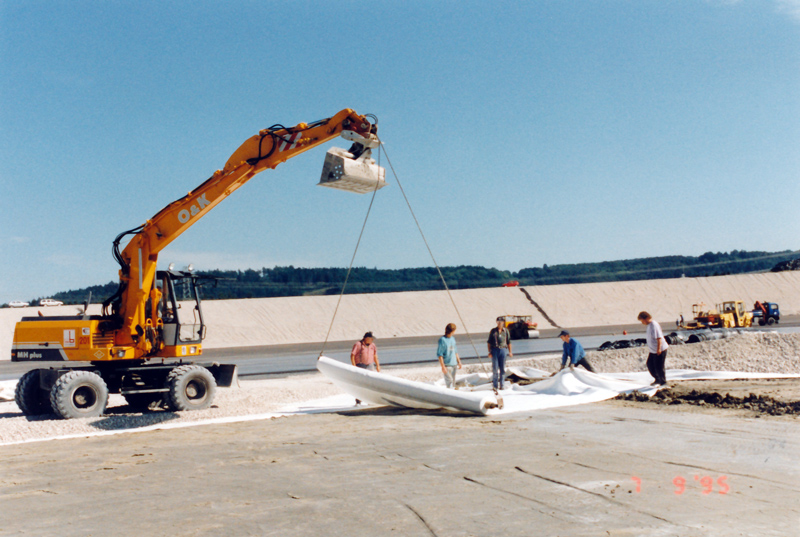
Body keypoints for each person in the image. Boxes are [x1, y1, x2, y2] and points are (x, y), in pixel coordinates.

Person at [638, 311, 669, 386]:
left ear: (647, 318)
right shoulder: (649, 325)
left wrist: (658, 349)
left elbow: (659, 338)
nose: (642, 322)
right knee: (650, 364)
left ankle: (663, 382)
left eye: (642, 320)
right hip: (653, 350)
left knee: (659, 366)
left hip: (659, 349)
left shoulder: (654, 325)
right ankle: (657, 379)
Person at [351, 331, 380, 405]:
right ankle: (358, 401)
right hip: (360, 365)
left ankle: (370, 400)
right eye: (371, 339)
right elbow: (352, 355)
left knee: (371, 383)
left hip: (370, 365)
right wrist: (354, 366)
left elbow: (375, 356)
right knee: (360, 383)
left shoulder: (372, 345)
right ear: (366, 338)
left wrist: (377, 365)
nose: (372, 340)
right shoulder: (358, 344)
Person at [487, 317, 512, 391]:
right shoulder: (493, 331)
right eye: (498, 321)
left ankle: (502, 385)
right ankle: (495, 385)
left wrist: (510, 352)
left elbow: (508, 342)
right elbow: (489, 342)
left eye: (501, 321)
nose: (499, 323)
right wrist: (489, 352)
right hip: (495, 350)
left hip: (503, 350)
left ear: (503, 322)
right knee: (495, 368)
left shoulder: (506, 331)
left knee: (503, 368)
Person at [437, 323, 462, 389]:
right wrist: (443, 366)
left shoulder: (453, 339)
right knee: (449, 382)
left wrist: (459, 362)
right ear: (452, 331)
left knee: (453, 382)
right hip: (447, 365)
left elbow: (455, 352)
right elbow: (440, 354)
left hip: (454, 364)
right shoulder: (442, 340)